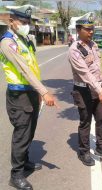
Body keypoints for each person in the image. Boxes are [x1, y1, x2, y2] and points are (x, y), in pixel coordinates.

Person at [0, 5, 58, 190]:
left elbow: (33, 67)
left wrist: (37, 93)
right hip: (19, 96)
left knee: (30, 131)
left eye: (28, 23)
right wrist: (44, 91)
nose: (26, 25)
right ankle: (16, 175)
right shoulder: (7, 43)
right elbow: (24, 70)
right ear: (11, 21)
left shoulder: (24, 40)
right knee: (21, 135)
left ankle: (24, 162)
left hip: (30, 93)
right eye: (23, 22)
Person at [68, 12, 102, 167]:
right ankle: (84, 152)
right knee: (85, 122)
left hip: (98, 89)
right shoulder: (74, 50)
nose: (91, 32)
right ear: (78, 30)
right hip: (83, 91)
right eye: (87, 29)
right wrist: (100, 90)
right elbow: (85, 74)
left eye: (92, 29)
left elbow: (97, 69)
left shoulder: (93, 45)